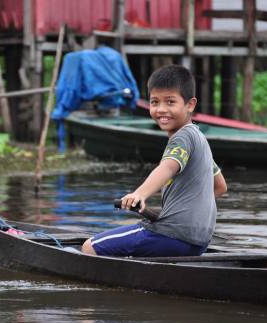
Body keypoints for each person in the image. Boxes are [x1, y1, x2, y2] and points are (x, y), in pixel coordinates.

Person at [81, 64, 227, 257]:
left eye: (170, 102)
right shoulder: (200, 140)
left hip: (171, 236)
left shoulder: (182, 138)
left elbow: (167, 167)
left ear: (190, 105)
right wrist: (177, 211)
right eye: (154, 102)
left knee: (89, 247)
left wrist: (139, 194)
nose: (161, 110)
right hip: (198, 242)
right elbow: (220, 186)